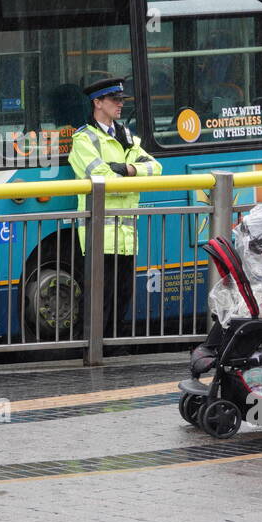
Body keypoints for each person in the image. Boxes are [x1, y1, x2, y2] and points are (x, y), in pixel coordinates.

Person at [68, 77, 162, 343]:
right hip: (100, 235)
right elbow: (103, 181)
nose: (120, 105)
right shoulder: (83, 139)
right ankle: (91, 348)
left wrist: (128, 170)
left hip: (125, 237)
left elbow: (155, 169)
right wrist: (130, 178)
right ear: (97, 103)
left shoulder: (127, 136)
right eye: (114, 100)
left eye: (121, 100)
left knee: (122, 296)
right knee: (99, 296)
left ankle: (112, 346)